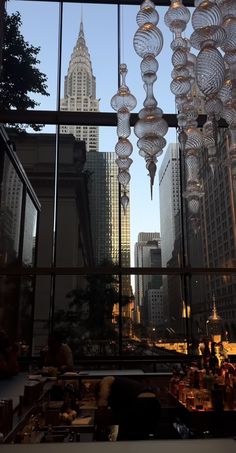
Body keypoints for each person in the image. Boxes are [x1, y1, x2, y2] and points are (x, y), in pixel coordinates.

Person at [95, 376, 161, 441]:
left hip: (140, 401)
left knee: (126, 434)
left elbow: (102, 403)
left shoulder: (105, 381)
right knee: (143, 434)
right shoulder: (120, 387)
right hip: (154, 402)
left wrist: (100, 413)